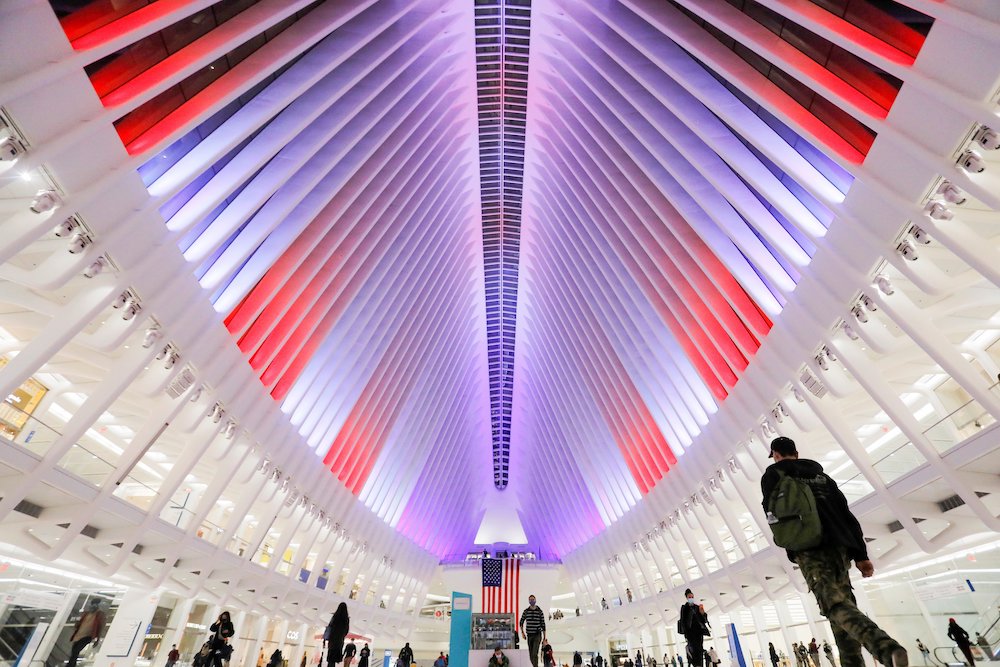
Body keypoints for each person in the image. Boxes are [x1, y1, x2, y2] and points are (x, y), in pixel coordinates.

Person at [762, 437, 908, 667]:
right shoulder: (823, 477)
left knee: (834, 605)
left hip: (810, 548)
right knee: (842, 611)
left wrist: (792, 546)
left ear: (776, 455)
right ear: (796, 453)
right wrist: (861, 555)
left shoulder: (774, 474)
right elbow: (846, 514)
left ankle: (885, 648)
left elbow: (773, 514)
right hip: (840, 547)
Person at [67, 599, 106, 667]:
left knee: (76, 650)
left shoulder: (100, 614)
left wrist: (97, 639)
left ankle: (70, 665)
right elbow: (80, 623)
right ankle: (71, 665)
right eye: (93, 603)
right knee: (74, 651)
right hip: (79, 634)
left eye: (96, 604)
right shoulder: (86, 613)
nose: (94, 605)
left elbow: (101, 627)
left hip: (88, 636)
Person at [679, 589, 709, 667]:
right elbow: (683, 621)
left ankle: (700, 665)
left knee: (700, 649)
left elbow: (704, 620)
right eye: (689, 597)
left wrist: (703, 613)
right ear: (686, 598)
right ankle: (696, 664)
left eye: (692, 597)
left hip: (699, 631)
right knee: (694, 649)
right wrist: (685, 634)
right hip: (690, 632)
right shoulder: (684, 608)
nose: (691, 598)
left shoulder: (697, 607)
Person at [519, 594, 547, 667]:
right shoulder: (526, 611)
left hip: (537, 634)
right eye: (530, 600)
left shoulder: (539, 611)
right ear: (529, 601)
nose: (532, 601)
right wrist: (522, 633)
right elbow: (521, 622)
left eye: (533, 599)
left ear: (535, 600)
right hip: (529, 635)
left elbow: (543, 625)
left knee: (534, 653)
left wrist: (544, 638)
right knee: (531, 655)